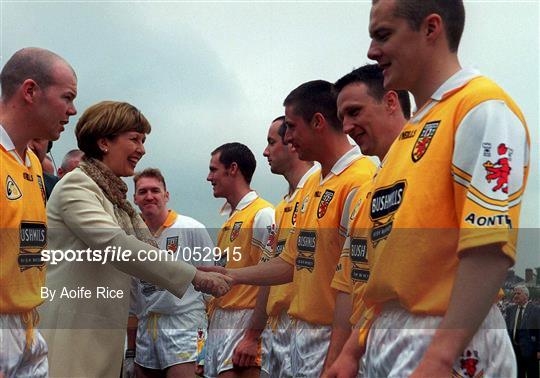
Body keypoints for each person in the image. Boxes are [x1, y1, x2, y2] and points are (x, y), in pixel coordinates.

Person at [327, 1, 530, 377]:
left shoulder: (481, 108)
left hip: (447, 342)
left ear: (431, 29)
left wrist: (440, 356)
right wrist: (353, 351)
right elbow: (388, 269)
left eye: (383, 35)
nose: (372, 51)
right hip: (387, 343)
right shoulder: (407, 137)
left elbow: (488, 247)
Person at [40, 101, 232, 378]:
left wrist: (196, 271)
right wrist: (193, 277)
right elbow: (116, 246)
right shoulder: (77, 185)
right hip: (74, 334)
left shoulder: (113, 197)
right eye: (134, 139)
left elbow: (139, 251)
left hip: (100, 334)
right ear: (104, 141)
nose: (142, 149)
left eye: (143, 140)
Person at [201, 80, 376, 376]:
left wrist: (337, 356)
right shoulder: (311, 185)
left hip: (330, 337)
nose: (288, 137)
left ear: (318, 122)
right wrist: (231, 275)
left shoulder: (360, 180)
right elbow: (290, 263)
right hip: (292, 335)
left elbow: (356, 280)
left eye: (291, 128)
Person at [324, 63, 410, 377]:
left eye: (355, 112)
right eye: (342, 117)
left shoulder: (428, 166)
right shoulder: (368, 192)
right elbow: (351, 284)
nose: (346, 126)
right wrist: (337, 360)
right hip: (373, 346)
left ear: (391, 102)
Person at [0, 47, 77, 378]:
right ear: (30, 91)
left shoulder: (31, 162)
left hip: (30, 323)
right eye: (67, 97)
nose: (72, 110)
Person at [233, 116, 318, 377]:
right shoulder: (282, 207)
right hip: (277, 329)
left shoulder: (320, 191)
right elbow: (269, 277)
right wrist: (252, 334)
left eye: (271, 142)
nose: (265, 151)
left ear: (292, 143)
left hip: (314, 329)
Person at [126, 167, 215, 378]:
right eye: (143, 192)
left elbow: (211, 289)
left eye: (155, 191)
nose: (149, 196)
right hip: (147, 328)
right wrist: (131, 351)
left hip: (185, 324)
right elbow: (133, 300)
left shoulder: (191, 228)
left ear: (166, 196)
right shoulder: (131, 239)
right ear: (135, 199)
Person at [204, 142, 275, 378]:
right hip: (220, 322)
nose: (209, 177)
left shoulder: (262, 214)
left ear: (232, 168)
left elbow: (274, 277)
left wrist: (253, 336)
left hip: (244, 321)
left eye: (214, 169)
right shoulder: (230, 218)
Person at [505, 285, 540, 378]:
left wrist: (539, 349)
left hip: (530, 351)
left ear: (526, 295)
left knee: (533, 374)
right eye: (515, 293)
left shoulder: (536, 310)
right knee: (518, 374)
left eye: (518, 293)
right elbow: (507, 330)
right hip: (515, 351)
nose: (515, 295)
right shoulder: (510, 310)